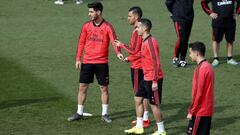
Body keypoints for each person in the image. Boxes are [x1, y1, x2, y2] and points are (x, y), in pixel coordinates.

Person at [67, 1, 123, 123]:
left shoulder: (108, 27)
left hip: (101, 63)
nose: (89, 14)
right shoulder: (86, 26)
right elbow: (81, 42)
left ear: (99, 12)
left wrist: (118, 52)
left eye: (91, 12)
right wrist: (78, 59)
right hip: (87, 62)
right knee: (82, 87)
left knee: (103, 88)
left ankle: (105, 114)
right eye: (89, 12)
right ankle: (79, 112)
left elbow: (114, 40)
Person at [124, 18, 166, 135]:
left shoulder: (151, 42)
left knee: (154, 105)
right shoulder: (144, 40)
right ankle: (139, 126)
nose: (136, 29)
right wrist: (130, 59)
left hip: (153, 78)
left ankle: (161, 131)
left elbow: (156, 62)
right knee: (138, 99)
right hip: (146, 77)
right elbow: (142, 54)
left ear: (145, 28)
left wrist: (154, 81)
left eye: (138, 27)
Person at [114, 6, 150, 128]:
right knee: (144, 93)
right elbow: (140, 51)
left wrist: (121, 45)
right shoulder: (141, 31)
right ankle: (145, 118)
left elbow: (134, 50)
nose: (128, 18)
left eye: (129, 16)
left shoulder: (136, 31)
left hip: (137, 67)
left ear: (136, 17)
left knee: (138, 95)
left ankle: (142, 120)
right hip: (143, 65)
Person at [201, 0, 240, 67]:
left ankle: (230, 58)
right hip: (217, 22)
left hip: (230, 21)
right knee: (216, 40)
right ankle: (216, 59)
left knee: (230, 40)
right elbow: (203, 3)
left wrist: (237, 12)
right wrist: (209, 13)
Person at [187, 41, 214, 135]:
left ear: (197, 53)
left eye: (190, 53)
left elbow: (198, 93)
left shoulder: (201, 69)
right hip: (207, 111)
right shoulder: (209, 66)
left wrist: (191, 111)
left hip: (199, 111)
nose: (189, 55)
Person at [165, 0, 194, 67]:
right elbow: (168, 2)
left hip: (189, 17)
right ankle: (175, 58)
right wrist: (173, 12)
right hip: (179, 17)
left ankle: (182, 60)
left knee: (186, 39)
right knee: (181, 39)